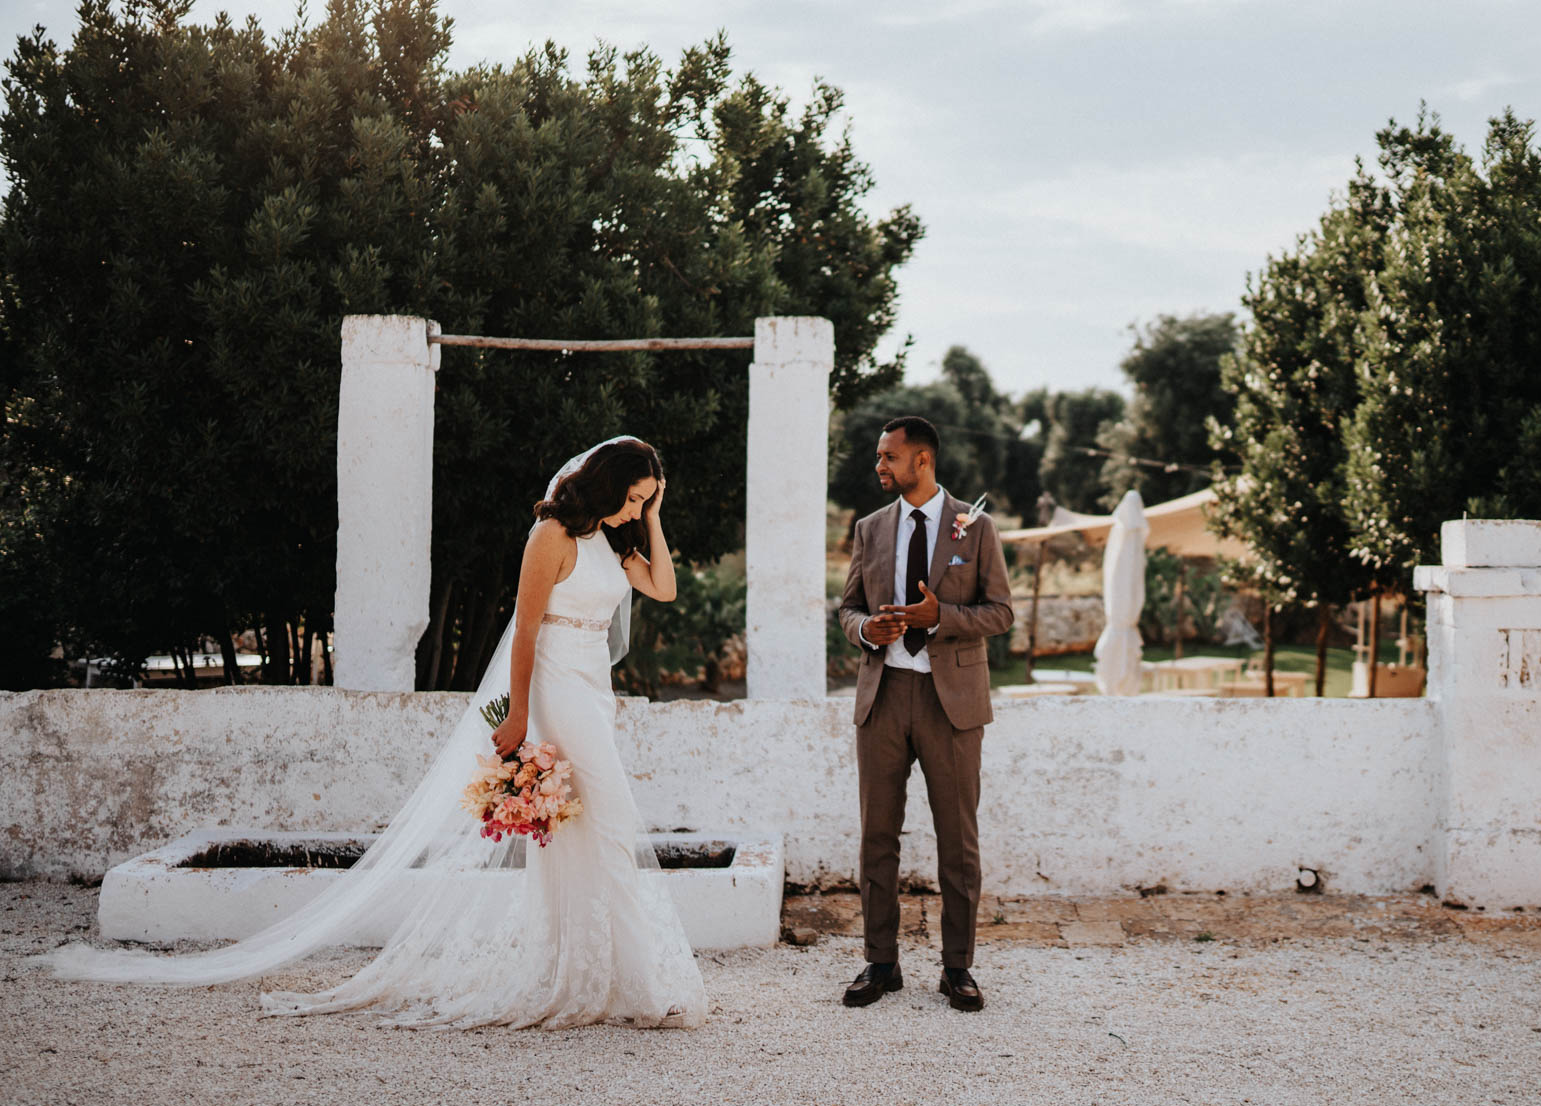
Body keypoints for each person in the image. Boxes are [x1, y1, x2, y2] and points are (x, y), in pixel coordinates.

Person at [38, 437, 708, 1031]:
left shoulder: (615, 543)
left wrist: (653, 517)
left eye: (644, 501)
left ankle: (592, 976)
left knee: (585, 834)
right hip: (557, 688)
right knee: (614, 824)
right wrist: (519, 715)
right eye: (633, 497)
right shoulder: (553, 536)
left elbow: (665, 588)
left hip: (594, 690)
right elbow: (527, 631)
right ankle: (646, 989)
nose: (634, 510)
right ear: (607, 484)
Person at [836, 416, 1014, 1011]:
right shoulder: (869, 529)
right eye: (879, 456)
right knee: (876, 837)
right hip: (882, 698)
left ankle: (957, 968)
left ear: (922, 460)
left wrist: (940, 619)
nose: (879, 466)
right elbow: (848, 609)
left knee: (958, 841)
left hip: (952, 705)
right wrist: (869, 629)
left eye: (888, 456)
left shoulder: (976, 527)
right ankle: (880, 963)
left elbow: (1001, 612)